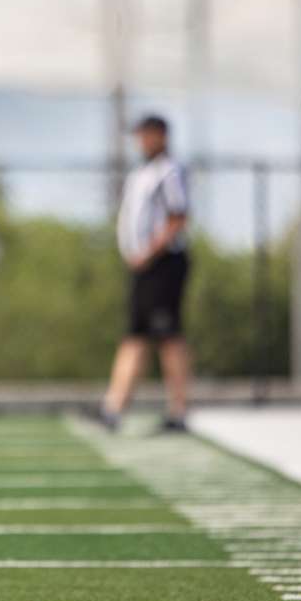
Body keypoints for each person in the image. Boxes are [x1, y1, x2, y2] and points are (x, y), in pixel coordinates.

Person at [100, 114, 192, 433]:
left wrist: (149, 252)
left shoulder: (169, 171)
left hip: (163, 265)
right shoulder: (141, 174)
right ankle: (113, 408)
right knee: (135, 336)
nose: (141, 142)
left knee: (168, 337)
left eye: (146, 135)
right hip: (143, 268)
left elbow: (177, 218)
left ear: (161, 136)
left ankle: (178, 412)